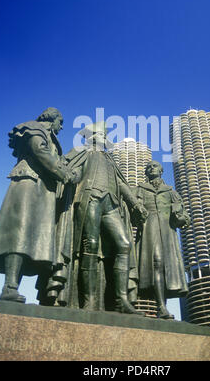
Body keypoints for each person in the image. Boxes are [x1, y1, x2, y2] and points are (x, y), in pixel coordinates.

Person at [0, 107, 77, 303]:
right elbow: (40, 151)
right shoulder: (33, 128)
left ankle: (12, 287)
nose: (62, 127)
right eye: (61, 121)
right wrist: (64, 174)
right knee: (19, 236)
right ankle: (9, 286)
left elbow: (53, 158)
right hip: (29, 185)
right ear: (53, 119)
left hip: (42, 189)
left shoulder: (49, 136)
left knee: (29, 240)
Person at [64, 121, 148, 314]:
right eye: (102, 135)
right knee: (90, 245)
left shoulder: (110, 160)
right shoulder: (83, 152)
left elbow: (121, 183)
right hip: (90, 198)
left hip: (111, 204)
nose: (105, 139)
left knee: (124, 244)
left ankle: (121, 300)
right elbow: (73, 170)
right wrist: (71, 175)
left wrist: (135, 204)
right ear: (93, 136)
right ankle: (90, 300)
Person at [134, 160, 190, 319]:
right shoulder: (140, 190)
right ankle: (160, 306)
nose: (152, 168)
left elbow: (185, 217)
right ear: (146, 172)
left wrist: (180, 218)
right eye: (149, 167)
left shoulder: (171, 192)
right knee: (156, 262)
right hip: (149, 230)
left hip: (167, 232)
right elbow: (133, 211)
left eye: (155, 166)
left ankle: (162, 307)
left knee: (166, 266)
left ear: (161, 170)